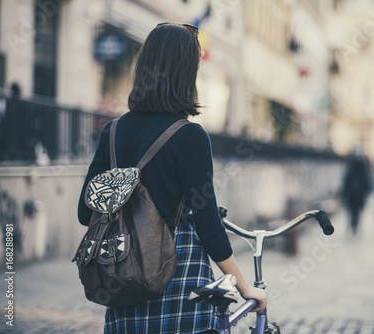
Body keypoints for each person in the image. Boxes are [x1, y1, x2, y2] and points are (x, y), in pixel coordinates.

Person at [77, 22, 267, 334]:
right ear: (187, 74)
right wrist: (245, 286)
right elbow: (208, 226)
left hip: (122, 284)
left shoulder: (112, 132)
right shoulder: (189, 135)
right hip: (178, 284)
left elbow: (86, 213)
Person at [340, 154, 371, 234]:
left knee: (350, 211)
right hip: (360, 196)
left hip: (351, 196)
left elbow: (345, 184)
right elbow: (367, 185)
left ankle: (350, 226)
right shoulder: (363, 171)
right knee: (357, 212)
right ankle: (355, 227)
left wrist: (344, 195)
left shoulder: (350, 171)